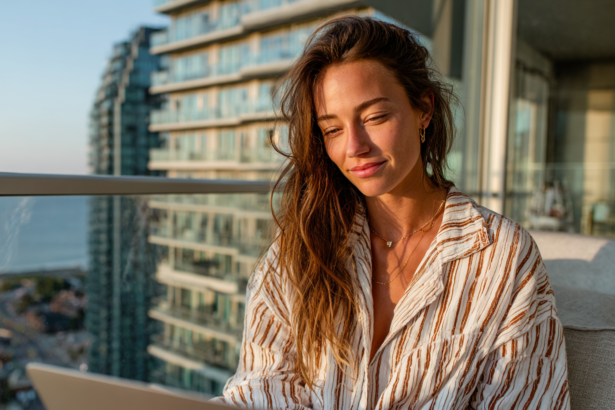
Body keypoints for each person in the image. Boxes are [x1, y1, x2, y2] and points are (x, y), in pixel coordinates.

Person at [212, 16, 570, 409]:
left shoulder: (501, 257)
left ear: (424, 110)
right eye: (332, 129)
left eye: (374, 118)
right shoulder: (301, 248)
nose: (355, 147)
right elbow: (259, 390)